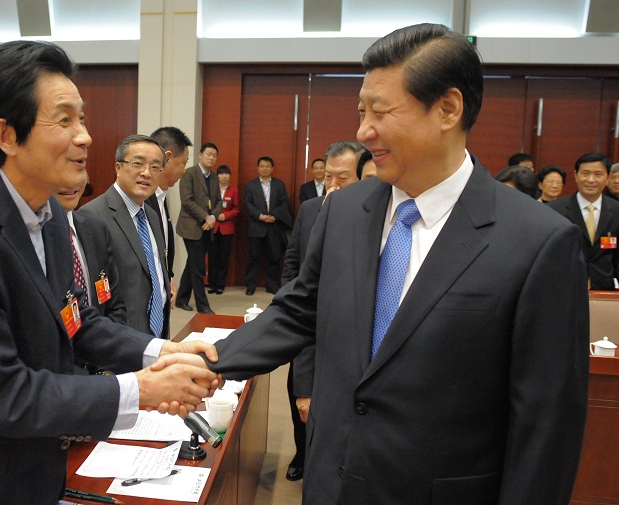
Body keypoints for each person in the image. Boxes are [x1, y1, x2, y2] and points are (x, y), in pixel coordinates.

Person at [190, 23, 589, 504]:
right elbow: (300, 310)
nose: (363, 131)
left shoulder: (538, 241)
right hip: (332, 482)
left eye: (380, 112)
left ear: (448, 109)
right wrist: (205, 361)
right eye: (362, 112)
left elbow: (546, 426)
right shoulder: (344, 210)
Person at [0, 41, 217, 505]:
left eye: (82, 119)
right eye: (64, 120)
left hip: (32, 468)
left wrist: (161, 352)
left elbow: (76, 321)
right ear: (7, 135)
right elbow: (2, 394)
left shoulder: (47, 214)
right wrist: (141, 390)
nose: (85, 136)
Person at [281, 140, 363, 483]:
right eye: (328, 176)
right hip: (306, 329)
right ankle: (302, 454)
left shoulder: (370, 217)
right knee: (299, 398)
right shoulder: (311, 208)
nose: (333, 185)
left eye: (343, 178)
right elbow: (292, 262)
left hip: (346, 336)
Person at [80, 135, 172, 338]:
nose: (146, 173)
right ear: (118, 167)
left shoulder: (151, 215)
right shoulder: (92, 216)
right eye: (138, 163)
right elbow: (92, 295)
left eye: (155, 167)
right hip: (122, 338)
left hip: (157, 335)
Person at [55, 172, 125, 324]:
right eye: (61, 172)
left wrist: (108, 337)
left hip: (102, 333)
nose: (70, 182)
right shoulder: (34, 237)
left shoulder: (96, 230)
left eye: (77, 169)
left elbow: (114, 305)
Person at [549, 152, 619, 290]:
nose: (591, 180)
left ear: (608, 178)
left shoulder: (617, 211)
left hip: (604, 289)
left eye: (598, 174)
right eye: (585, 173)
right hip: (564, 287)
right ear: (576, 175)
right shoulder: (554, 209)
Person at [149, 126, 194, 308]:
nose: (184, 171)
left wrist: (169, 276)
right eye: (183, 163)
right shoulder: (143, 200)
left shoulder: (161, 196)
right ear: (167, 158)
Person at [175, 142, 221, 313]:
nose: (211, 158)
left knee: (193, 263)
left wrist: (213, 217)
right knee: (198, 267)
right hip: (191, 227)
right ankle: (203, 306)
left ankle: (181, 299)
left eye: (214, 155)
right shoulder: (189, 173)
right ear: (200, 155)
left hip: (207, 227)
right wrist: (205, 216)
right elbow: (187, 200)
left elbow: (219, 202)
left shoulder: (214, 177)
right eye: (208, 154)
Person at [243, 156, 292, 295]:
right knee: (253, 258)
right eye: (262, 166)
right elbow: (247, 203)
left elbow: (284, 203)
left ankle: (272, 285)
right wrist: (260, 216)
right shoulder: (250, 185)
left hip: (274, 226)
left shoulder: (279, 184)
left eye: (267, 166)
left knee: (274, 257)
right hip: (256, 227)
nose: (264, 168)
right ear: (258, 168)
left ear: (272, 169)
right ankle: (251, 285)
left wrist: (275, 216)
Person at [208, 165, 238, 294]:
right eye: (221, 174)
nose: (224, 176)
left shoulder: (234, 191)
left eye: (226, 174)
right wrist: (215, 215)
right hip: (213, 227)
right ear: (217, 176)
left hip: (227, 228)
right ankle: (212, 284)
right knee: (212, 257)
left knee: (223, 258)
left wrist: (225, 216)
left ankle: (220, 284)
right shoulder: (211, 190)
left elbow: (236, 209)